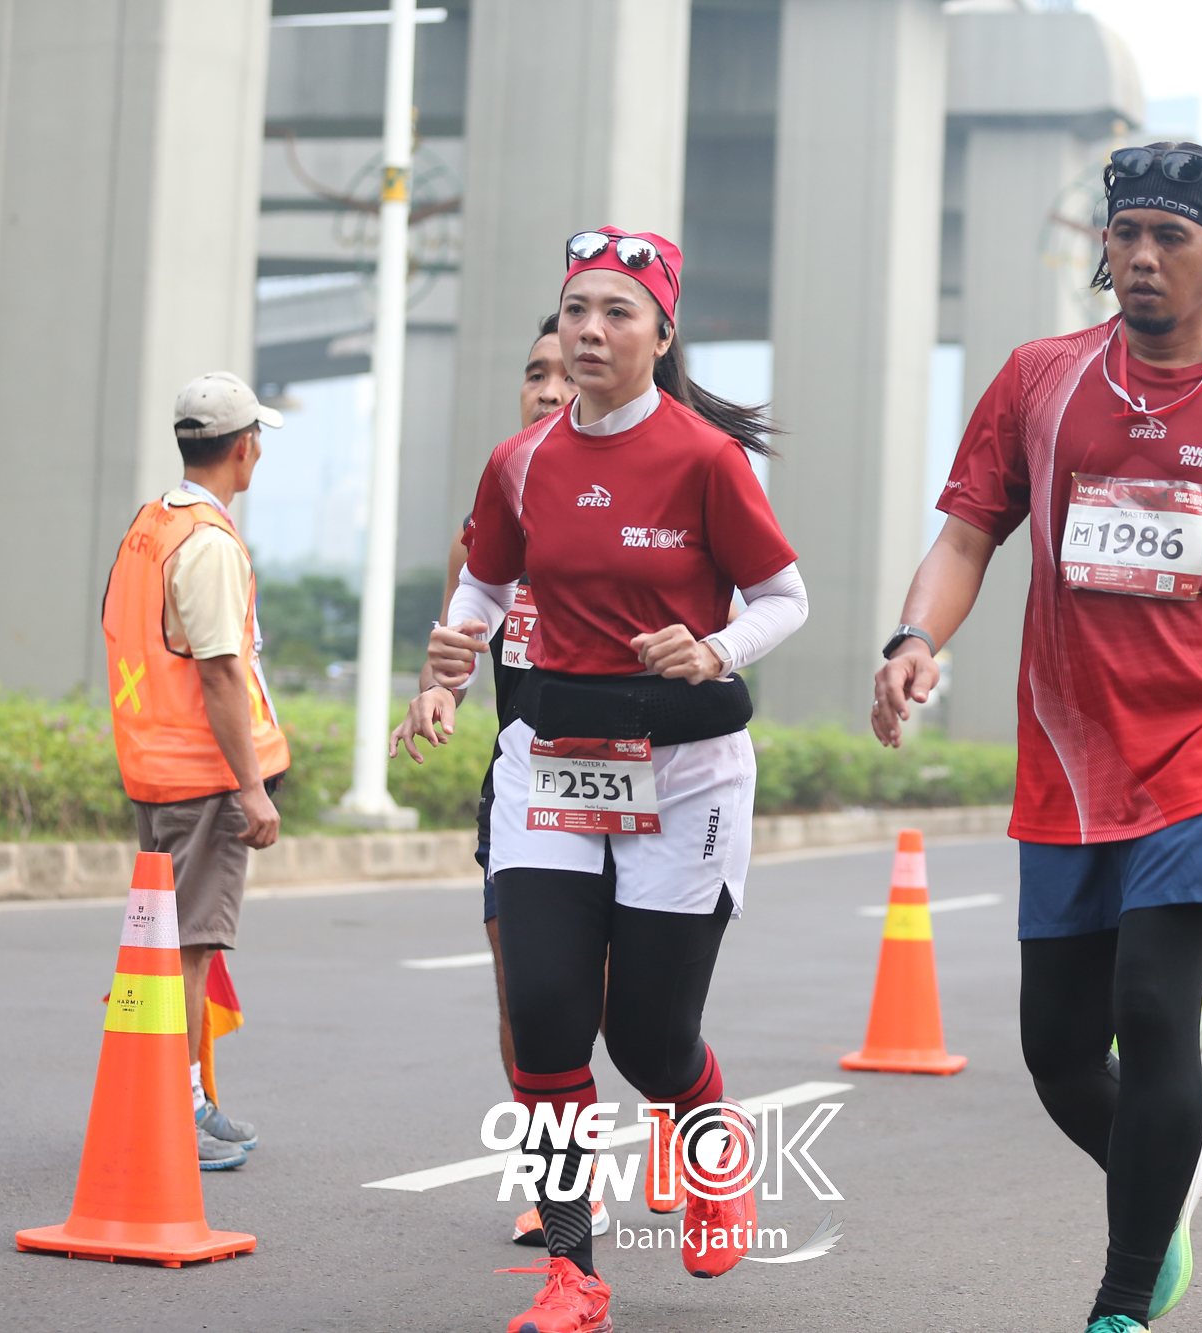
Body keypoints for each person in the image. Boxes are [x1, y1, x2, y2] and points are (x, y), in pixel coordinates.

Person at [871, 142, 1202, 1332]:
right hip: (1073, 759)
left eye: (1169, 237)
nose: (1140, 257)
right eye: (1124, 234)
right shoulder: (1038, 380)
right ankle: (1164, 1172)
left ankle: (1120, 1299)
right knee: (1058, 1051)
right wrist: (912, 638)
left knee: (1155, 1003)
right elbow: (965, 536)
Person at [405, 226, 808, 1333]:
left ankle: (711, 1141)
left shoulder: (705, 460)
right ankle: (572, 1272)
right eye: (576, 309)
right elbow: (484, 586)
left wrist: (713, 649)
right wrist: (449, 662)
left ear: (660, 335)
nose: (589, 330)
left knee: (647, 1041)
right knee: (545, 1016)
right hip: (552, 766)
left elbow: (784, 598)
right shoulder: (520, 460)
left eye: (616, 313)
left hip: (683, 778)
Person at [390, 315, 616, 1246]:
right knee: (529, 994)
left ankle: (684, 1113)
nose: (549, 388)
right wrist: (433, 694)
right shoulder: (484, 531)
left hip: (637, 783)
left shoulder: (644, 510)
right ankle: (564, 1186)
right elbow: (454, 649)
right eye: (534, 372)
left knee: (633, 1010)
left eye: (566, 374)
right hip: (527, 786)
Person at [101, 371, 289, 1171]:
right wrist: (250, 787)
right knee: (188, 943)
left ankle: (179, 1098)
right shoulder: (208, 544)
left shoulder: (151, 525)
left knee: (169, 940)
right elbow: (218, 672)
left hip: (155, 765)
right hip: (201, 776)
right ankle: (175, 1110)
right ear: (243, 448)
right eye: (258, 440)